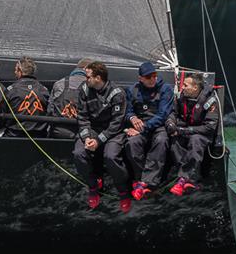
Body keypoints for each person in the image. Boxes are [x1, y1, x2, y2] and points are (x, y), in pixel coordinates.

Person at [72, 61, 132, 213]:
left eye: (88, 77)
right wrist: (86, 138)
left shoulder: (117, 93)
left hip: (112, 132)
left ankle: (123, 190)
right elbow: (83, 117)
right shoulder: (84, 90)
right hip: (92, 129)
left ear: (98, 78)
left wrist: (99, 141)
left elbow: (116, 124)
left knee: (111, 156)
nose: (86, 79)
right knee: (79, 153)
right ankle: (93, 185)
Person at [123, 61, 174, 200]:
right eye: (148, 77)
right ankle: (142, 180)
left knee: (162, 140)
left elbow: (163, 115)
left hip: (158, 126)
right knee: (131, 143)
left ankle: (148, 183)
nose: (152, 79)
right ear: (140, 78)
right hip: (139, 126)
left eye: (154, 75)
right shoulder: (132, 90)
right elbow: (127, 111)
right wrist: (132, 118)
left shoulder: (165, 89)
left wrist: (144, 128)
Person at [165, 73, 219, 196]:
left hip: (202, 134)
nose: (182, 87)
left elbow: (210, 127)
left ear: (195, 88)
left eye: (185, 85)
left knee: (195, 140)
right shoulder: (181, 97)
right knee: (174, 141)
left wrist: (186, 130)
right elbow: (173, 113)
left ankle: (185, 179)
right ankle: (187, 176)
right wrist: (170, 122)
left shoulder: (210, 101)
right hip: (185, 131)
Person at [2, 57, 49, 137]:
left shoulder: (11, 90)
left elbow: (2, 113)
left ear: (20, 71)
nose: (14, 72)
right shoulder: (44, 90)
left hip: (14, 135)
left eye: (16, 70)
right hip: (39, 137)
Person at [47, 58, 92, 138]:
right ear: (87, 69)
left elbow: (50, 110)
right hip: (81, 136)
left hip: (57, 134)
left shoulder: (59, 83)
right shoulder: (91, 87)